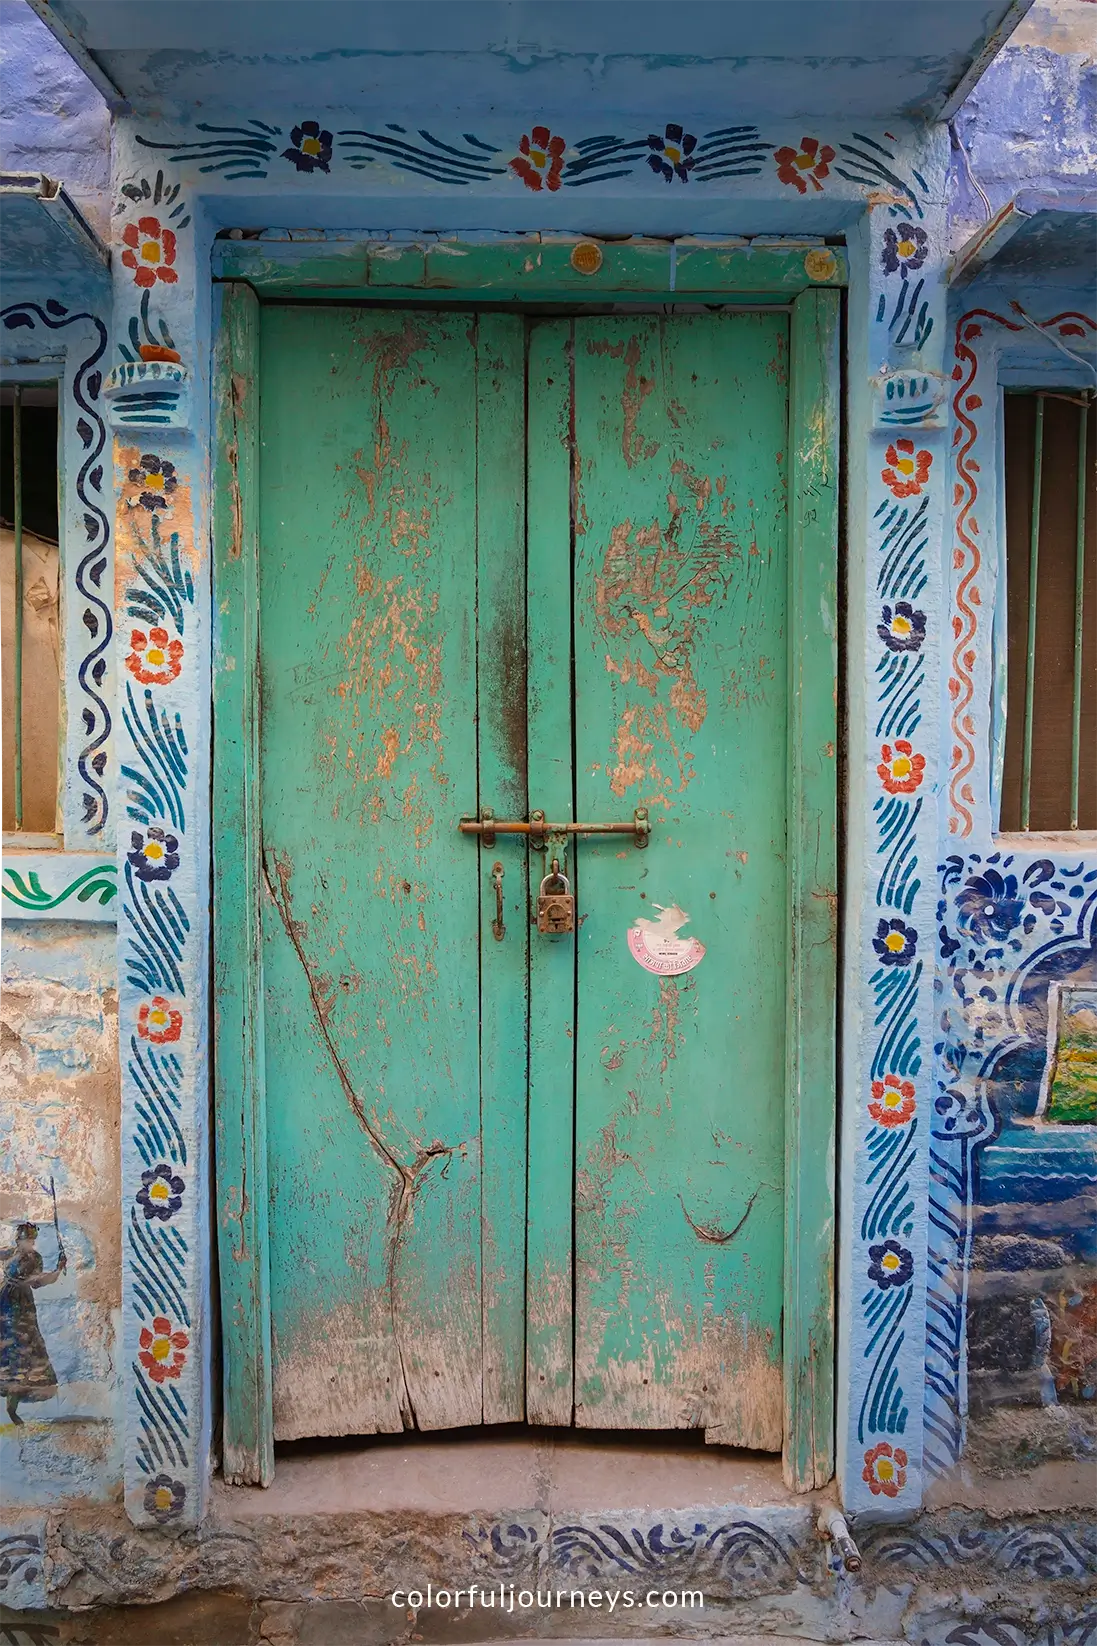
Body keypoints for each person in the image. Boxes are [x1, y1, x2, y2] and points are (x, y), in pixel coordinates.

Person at [0, 1223, 66, 1425]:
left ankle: (15, 1400)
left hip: (24, 1306)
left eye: (30, 1240)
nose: (28, 1243)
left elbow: (39, 1282)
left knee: (26, 1348)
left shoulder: (35, 1258)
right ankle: (11, 1397)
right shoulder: (8, 1253)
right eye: (24, 1239)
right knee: (9, 1348)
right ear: (17, 1239)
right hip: (4, 1302)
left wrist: (58, 1269)